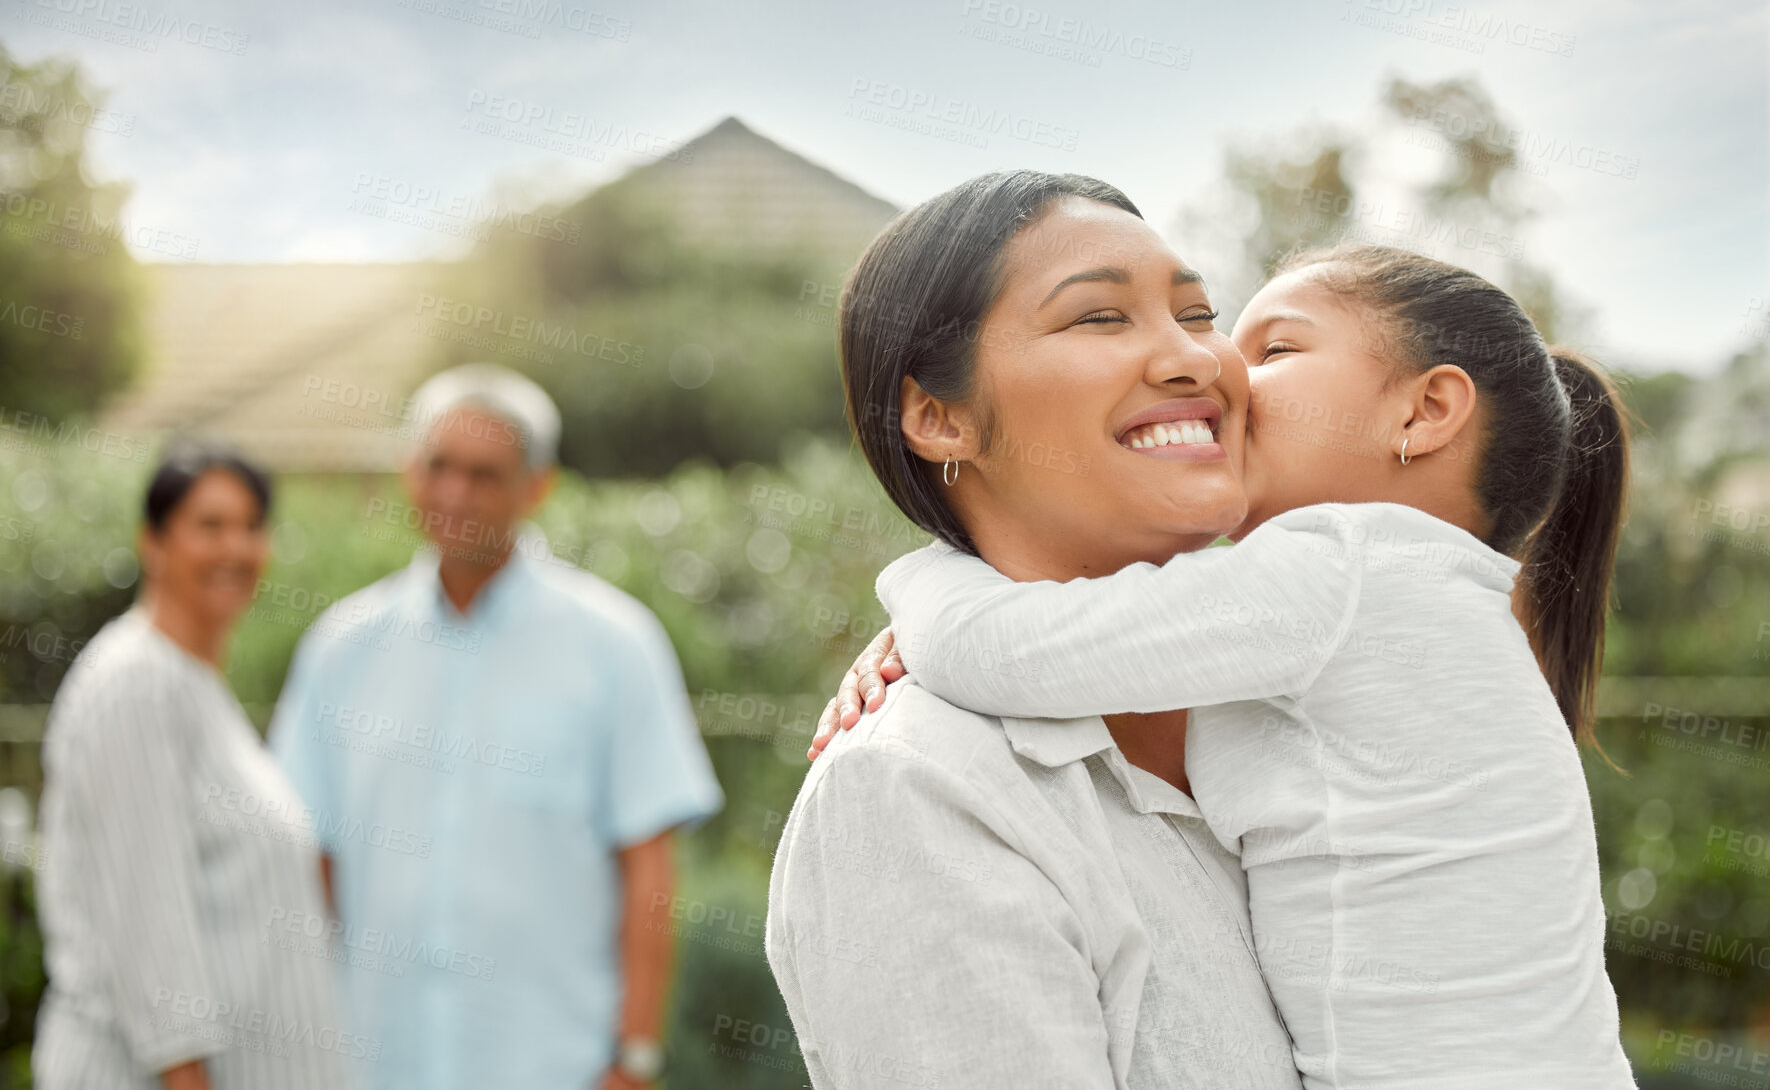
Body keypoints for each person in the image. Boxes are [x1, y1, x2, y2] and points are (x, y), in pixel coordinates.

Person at [816, 243, 1637, 1087]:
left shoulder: (1339, 572)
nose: (1227, 375)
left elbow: (994, 651)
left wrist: (925, 580)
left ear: (1426, 410)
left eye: (1273, 349)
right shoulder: (1428, 597)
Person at [766, 172, 1306, 1089]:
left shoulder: (1304, 700)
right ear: (940, 417)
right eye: (1099, 317)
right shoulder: (919, 788)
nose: (1197, 359)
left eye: (1200, 313)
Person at [267, 364, 723, 1090]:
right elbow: (307, 860)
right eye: (439, 466)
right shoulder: (340, 649)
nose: (455, 494)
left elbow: (650, 869)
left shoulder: (616, 646)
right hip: (370, 1060)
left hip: (553, 1064)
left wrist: (634, 1057)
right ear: (408, 471)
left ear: (536, 486)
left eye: (484, 474)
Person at [34, 443, 358, 1090]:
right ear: (152, 542)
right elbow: (149, 928)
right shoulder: (134, 684)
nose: (233, 548)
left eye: (250, 526)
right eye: (209, 525)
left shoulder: (195, 686)